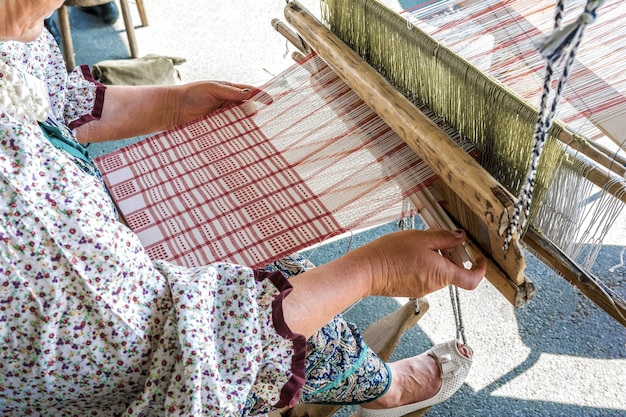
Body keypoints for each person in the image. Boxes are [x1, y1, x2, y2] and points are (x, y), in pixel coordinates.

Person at [0, 1, 487, 416]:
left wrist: (174, 103)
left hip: (101, 298)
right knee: (290, 311)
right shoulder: (18, 213)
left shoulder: (11, 30)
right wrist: (374, 270)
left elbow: (53, 95)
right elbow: (186, 348)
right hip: (120, 369)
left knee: (267, 267)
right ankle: (388, 388)